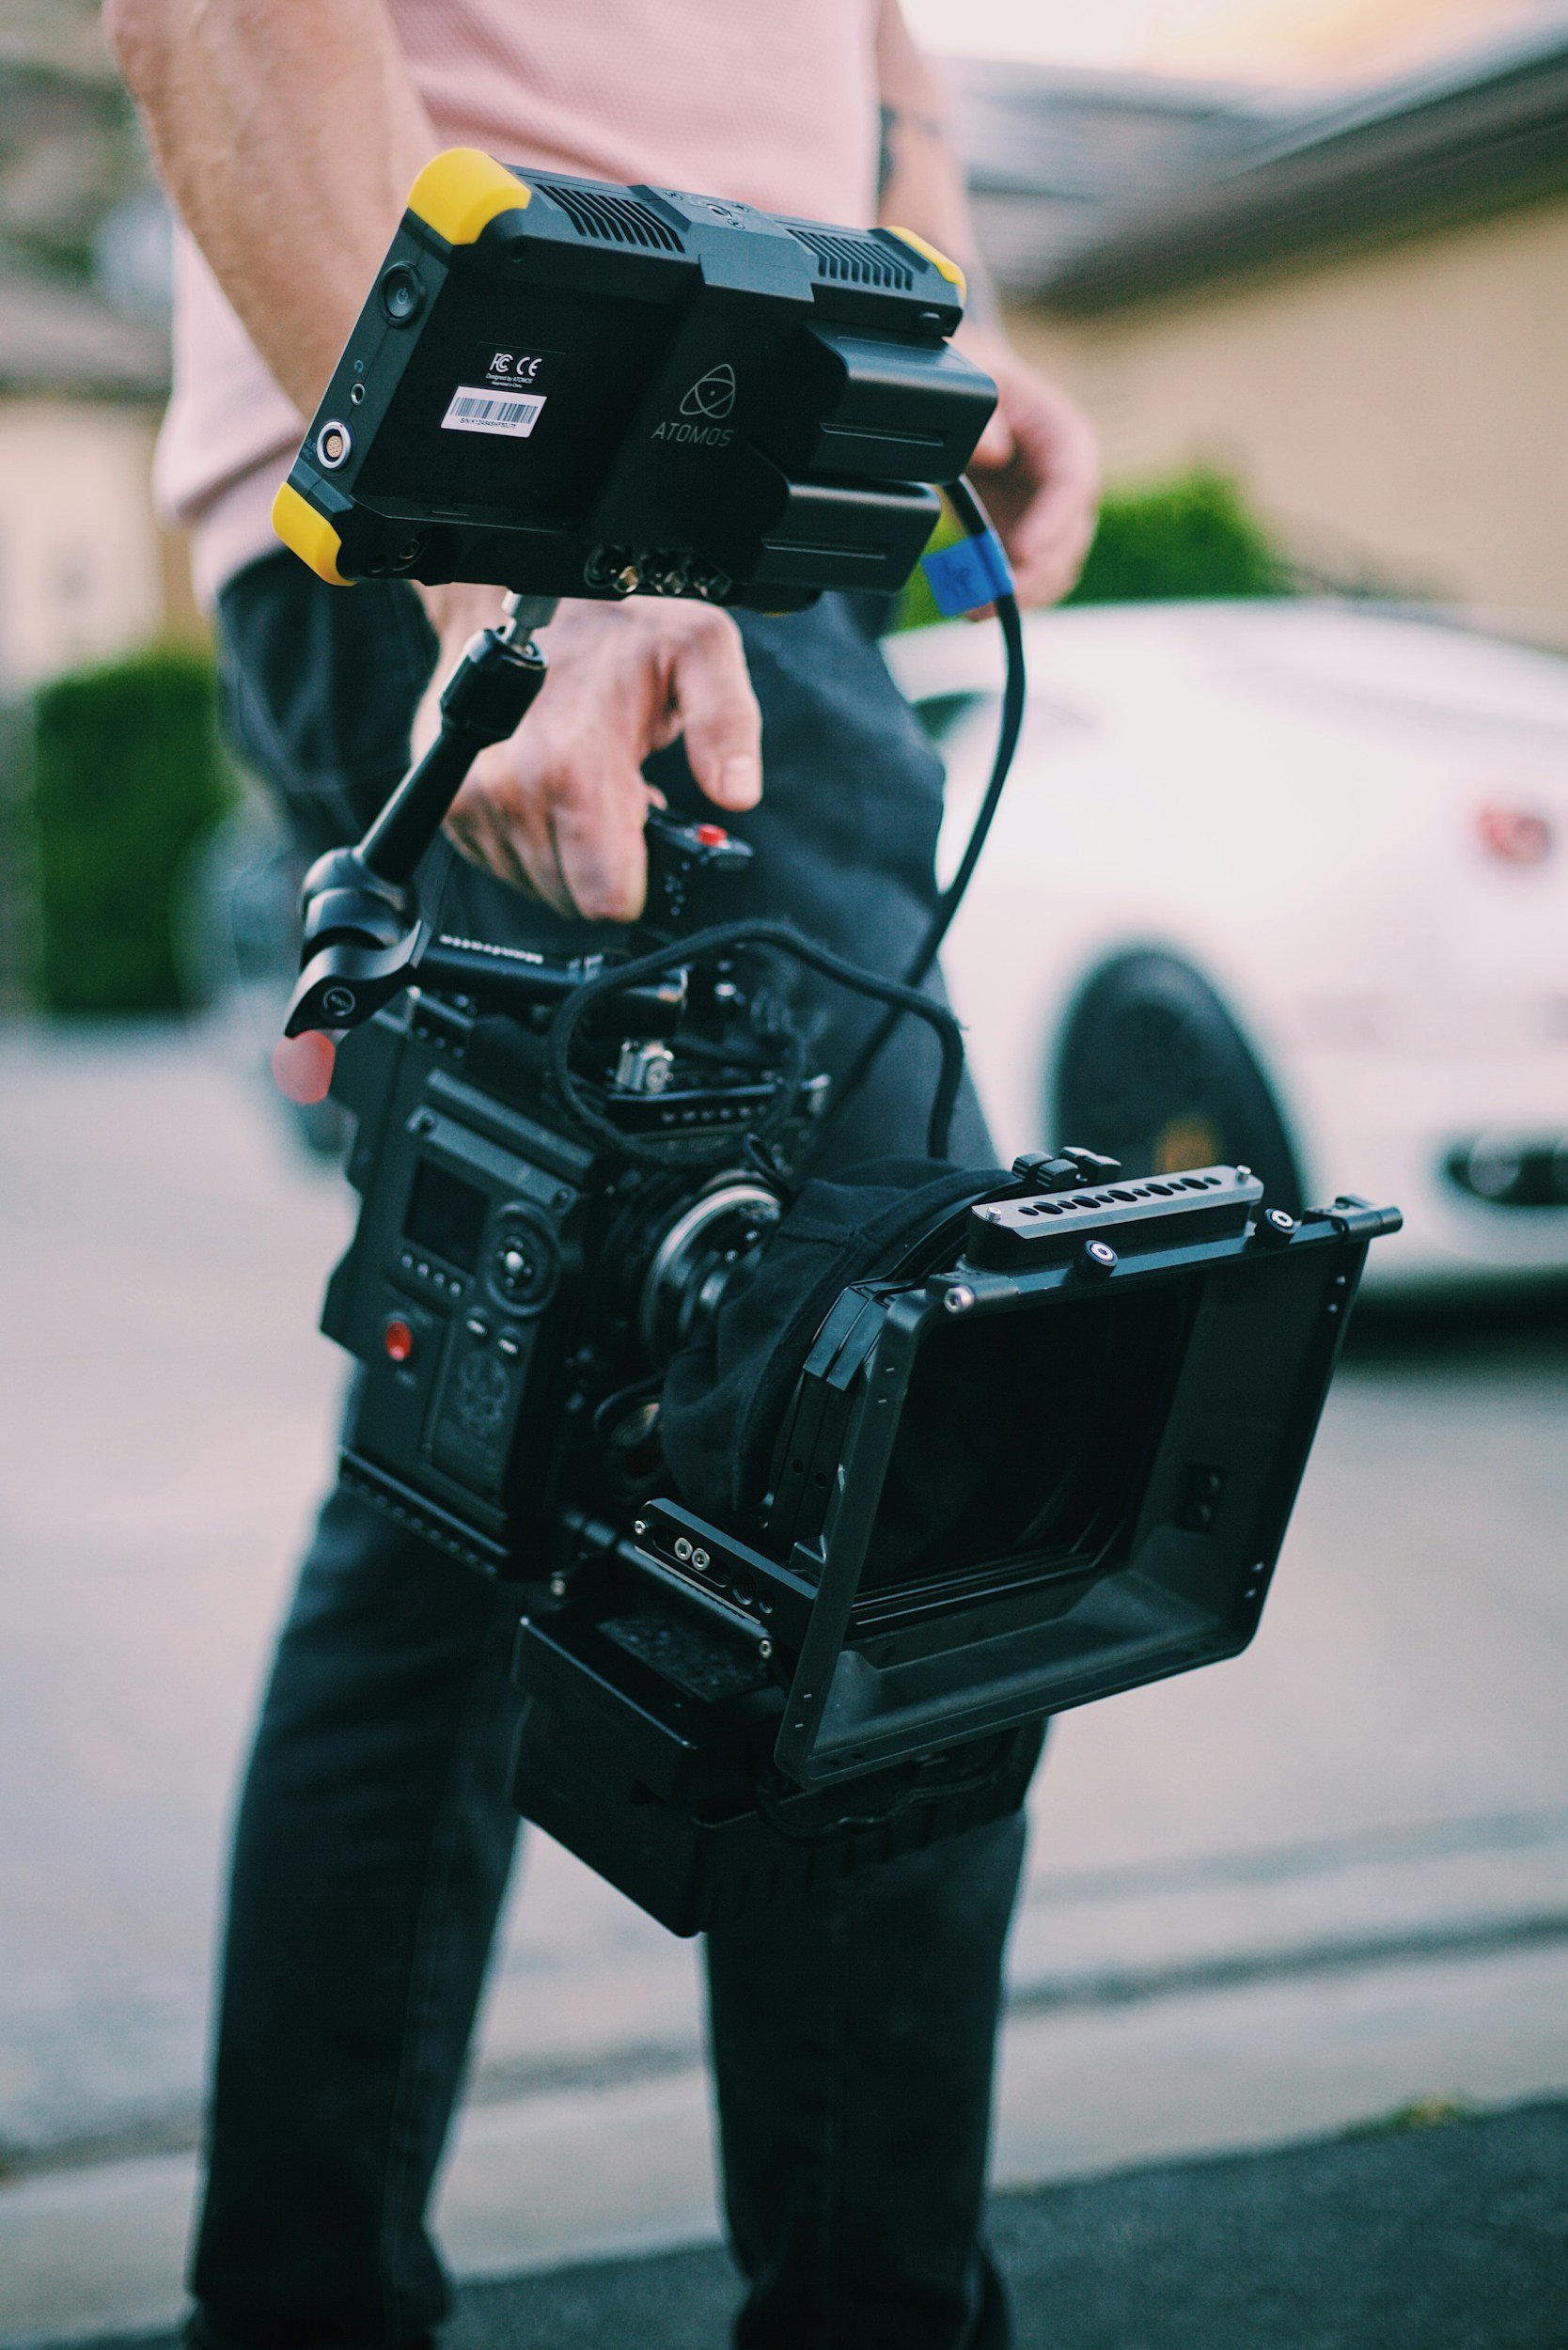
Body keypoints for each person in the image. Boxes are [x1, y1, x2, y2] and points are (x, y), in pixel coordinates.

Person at [106, 6, 1100, 2345]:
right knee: (889, 1449)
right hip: (554, 496)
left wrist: (921, 358)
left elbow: (872, 58)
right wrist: (507, 563)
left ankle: (296, 2295)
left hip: (680, 501)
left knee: (474, 1471)